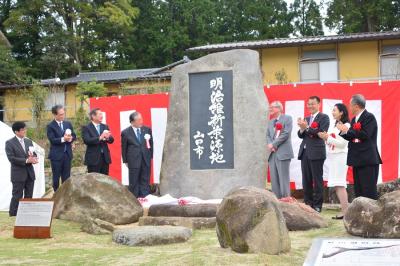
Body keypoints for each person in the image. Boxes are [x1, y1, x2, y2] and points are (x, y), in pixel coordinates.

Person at [337, 94, 382, 200]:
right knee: (359, 190)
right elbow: (352, 136)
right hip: (357, 159)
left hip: (368, 159)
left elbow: (365, 135)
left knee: (368, 190)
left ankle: (371, 215)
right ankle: (361, 214)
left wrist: (348, 130)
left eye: (350, 105)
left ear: (356, 106)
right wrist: (344, 132)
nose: (349, 107)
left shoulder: (369, 117)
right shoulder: (354, 120)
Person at [297, 96, 330, 212]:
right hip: (305, 152)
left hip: (317, 152)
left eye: (313, 104)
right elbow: (301, 135)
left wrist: (306, 127)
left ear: (318, 104)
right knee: (306, 179)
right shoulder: (306, 118)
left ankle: (317, 205)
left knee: (317, 179)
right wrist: (302, 128)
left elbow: (320, 132)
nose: (310, 106)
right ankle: (307, 203)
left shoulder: (324, 117)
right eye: (309, 104)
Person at [318, 103, 350, 219]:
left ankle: (346, 212)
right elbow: (332, 141)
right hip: (334, 156)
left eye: (335, 110)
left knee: (340, 183)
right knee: (337, 184)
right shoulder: (335, 125)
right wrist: (326, 138)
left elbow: (342, 144)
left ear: (341, 112)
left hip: (341, 156)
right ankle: (345, 211)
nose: (332, 112)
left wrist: (328, 138)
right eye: (332, 110)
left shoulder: (346, 125)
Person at [5, 122, 38, 216]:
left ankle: (26, 214)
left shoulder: (28, 141)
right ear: (16, 131)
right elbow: (11, 158)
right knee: (17, 196)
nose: (25, 131)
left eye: (25, 129)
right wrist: (27, 160)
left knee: (29, 195)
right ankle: (13, 214)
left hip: (30, 173)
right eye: (23, 129)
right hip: (18, 174)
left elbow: (33, 154)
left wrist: (34, 158)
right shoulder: (9, 143)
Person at [121, 112, 153, 198]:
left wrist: (150, 156)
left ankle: (145, 197)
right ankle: (135, 199)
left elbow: (151, 144)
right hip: (133, 160)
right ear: (132, 122)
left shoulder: (147, 130)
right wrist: (125, 160)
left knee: (145, 179)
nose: (141, 121)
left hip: (145, 158)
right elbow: (124, 148)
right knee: (134, 180)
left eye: (141, 119)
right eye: (138, 120)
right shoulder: (125, 132)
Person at [266, 101, 294, 199]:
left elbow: (286, 134)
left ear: (279, 108)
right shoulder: (270, 122)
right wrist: (270, 144)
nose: (270, 109)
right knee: (274, 179)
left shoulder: (287, 118)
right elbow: (268, 135)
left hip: (283, 153)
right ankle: (276, 200)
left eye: (272, 107)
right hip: (272, 154)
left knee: (283, 178)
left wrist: (274, 144)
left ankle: (286, 199)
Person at [46, 105, 76, 192]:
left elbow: (74, 135)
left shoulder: (68, 124)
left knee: (66, 177)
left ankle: (65, 195)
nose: (63, 116)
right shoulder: (50, 126)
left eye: (63, 114)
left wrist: (71, 139)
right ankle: (56, 195)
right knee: (56, 177)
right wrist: (63, 139)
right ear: (55, 115)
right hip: (56, 156)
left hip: (67, 154)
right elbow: (52, 140)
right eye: (60, 114)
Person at [82, 108, 114, 175]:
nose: (101, 116)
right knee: (94, 180)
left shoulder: (105, 126)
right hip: (93, 158)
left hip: (105, 157)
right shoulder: (87, 127)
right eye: (100, 114)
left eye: (102, 114)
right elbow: (87, 140)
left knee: (105, 180)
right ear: (93, 116)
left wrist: (108, 138)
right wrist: (100, 138)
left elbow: (112, 140)